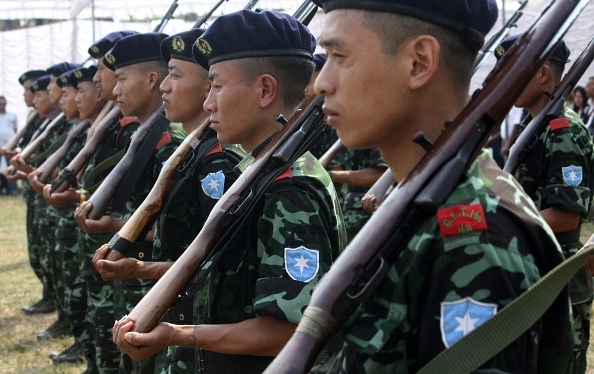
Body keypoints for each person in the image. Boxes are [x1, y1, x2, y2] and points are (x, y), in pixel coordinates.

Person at [310, 0, 574, 372]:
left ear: (419, 62)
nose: (321, 81)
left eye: (339, 55)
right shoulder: (417, 199)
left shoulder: (477, 238)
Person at [112, 10, 345, 373]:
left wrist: (178, 334)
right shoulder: (257, 174)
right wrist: (140, 267)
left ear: (266, 90)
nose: (208, 104)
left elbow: (290, 330)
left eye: (217, 86)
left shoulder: (289, 189)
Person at [92, 28, 242, 374]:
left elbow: (210, 260)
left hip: (195, 328)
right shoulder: (191, 153)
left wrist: (138, 264)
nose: (163, 85)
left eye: (174, 75)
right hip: (174, 317)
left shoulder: (218, 162)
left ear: (207, 88)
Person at [74, 31, 186, 374]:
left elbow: (180, 236)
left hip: (156, 283)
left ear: (150, 79)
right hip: (131, 275)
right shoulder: (142, 135)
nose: (108, 85)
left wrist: (113, 226)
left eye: (120, 78)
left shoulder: (169, 145)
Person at [496, 35, 594, 374]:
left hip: (558, 276)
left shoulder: (563, 132)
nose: (505, 80)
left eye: (513, 71)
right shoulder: (533, 126)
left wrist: (501, 221)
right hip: (532, 266)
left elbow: (566, 215)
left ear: (542, 75)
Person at [327, 147, 387, 241]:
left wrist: (330, 175)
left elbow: (383, 175)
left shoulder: (376, 134)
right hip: (351, 218)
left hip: (370, 217)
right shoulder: (352, 139)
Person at [0, 95, 19, 194]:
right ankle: (2, 188)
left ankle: (13, 189)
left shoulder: (12, 116)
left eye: (3, 103)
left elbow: (15, 130)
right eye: (0, 104)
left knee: (11, 167)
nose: (2, 105)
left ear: (6, 104)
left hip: (9, 147)